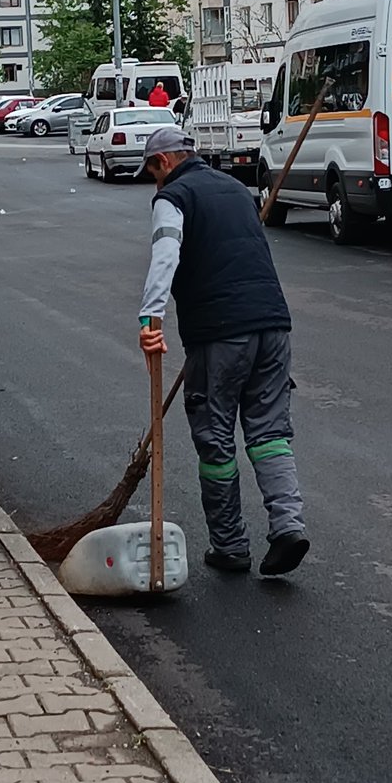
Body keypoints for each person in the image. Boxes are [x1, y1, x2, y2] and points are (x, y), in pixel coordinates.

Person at [136, 126, 309, 576]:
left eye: (153, 171)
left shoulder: (173, 197)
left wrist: (150, 319)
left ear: (166, 162)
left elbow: (166, 254)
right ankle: (288, 527)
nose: (154, 182)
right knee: (269, 433)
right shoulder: (235, 188)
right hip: (272, 325)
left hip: (219, 334)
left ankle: (230, 546)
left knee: (214, 437)